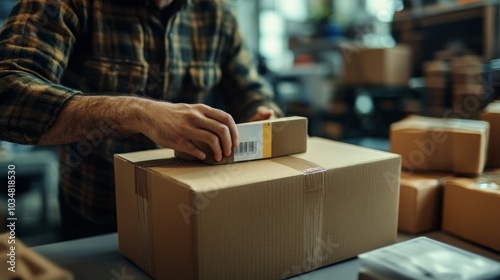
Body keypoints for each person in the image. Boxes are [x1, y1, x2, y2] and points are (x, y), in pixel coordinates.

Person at [0, 0, 282, 240]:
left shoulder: (218, 13)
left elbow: (251, 92)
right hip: (98, 217)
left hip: (190, 213)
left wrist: (264, 113)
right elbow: (8, 91)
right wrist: (139, 113)